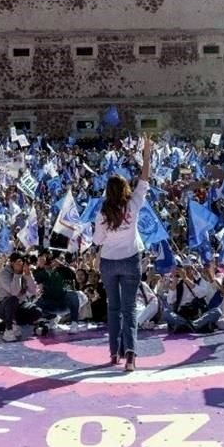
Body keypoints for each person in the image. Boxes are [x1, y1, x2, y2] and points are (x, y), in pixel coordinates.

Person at [92, 135, 151, 372]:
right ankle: (131, 357)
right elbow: (145, 178)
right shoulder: (133, 205)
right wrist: (146, 153)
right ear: (126, 189)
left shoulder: (103, 213)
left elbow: (97, 240)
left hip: (109, 262)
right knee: (130, 309)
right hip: (130, 261)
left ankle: (113, 353)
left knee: (113, 308)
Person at [0, 253, 40, 342]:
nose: (20, 265)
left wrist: (28, 274)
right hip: (2, 307)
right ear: (12, 263)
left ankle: (16, 323)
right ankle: (8, 329)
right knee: (13, 299)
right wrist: (17, 274)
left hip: (19, 305)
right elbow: (14, 292)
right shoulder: (3, 273)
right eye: (18, 262)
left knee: (37, 311)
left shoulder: (24, 272)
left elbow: (33, 291)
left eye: (22, 262)